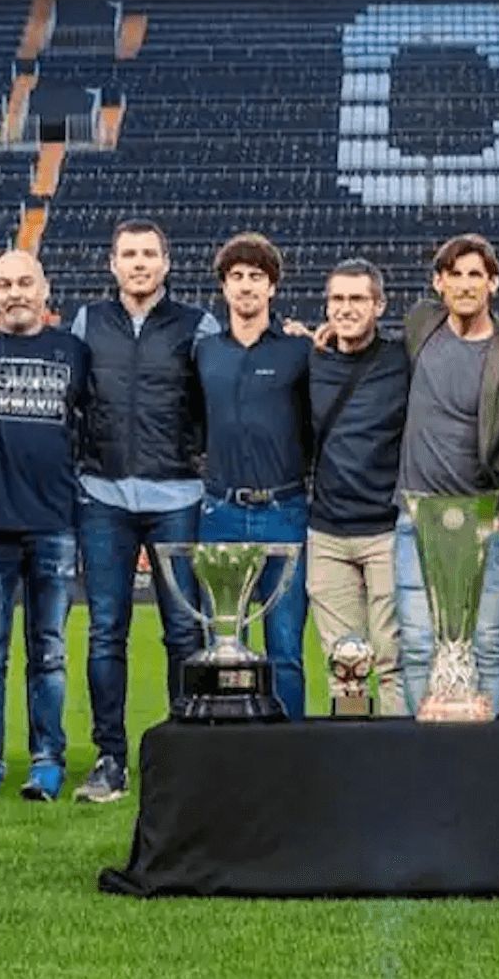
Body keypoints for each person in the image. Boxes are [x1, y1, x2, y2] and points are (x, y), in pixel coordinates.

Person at [66, 219, 216, 803]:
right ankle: (110, 758)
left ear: (166, 263)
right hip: (103, 496)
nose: (138, 264)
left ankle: (183, 747)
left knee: (184, 629)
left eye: (149, 254)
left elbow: (216, 394)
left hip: (177, 494)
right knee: (106, 631)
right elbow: (69, 397)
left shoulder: (195, 325)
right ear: (112, 264)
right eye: (128, 254)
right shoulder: (88, 323)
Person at [0, 248, 87, 804]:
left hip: (55, 523)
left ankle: (48, 762)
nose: (15, 293)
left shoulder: (72, 352)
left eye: (25, 283)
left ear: (45, 290)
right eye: (5, 283)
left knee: (51, 652)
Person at [396, 234, 499, 717]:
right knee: (415, 645)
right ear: (439, 283)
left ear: (493, 283)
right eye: (455, 274)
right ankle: (422, 758)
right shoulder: (420, 326)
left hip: (483, 519)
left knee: (487, 646)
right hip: (415, 516)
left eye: (477, 274)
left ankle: (490, 763)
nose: (465, 284)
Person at [193, 233, 313, 717]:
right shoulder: (203, 353)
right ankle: (230, 748)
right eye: (237, 277)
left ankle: (290, 756)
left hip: (284, 511)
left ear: (273, 288)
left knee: (284, 649)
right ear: (223, 287)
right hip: (220, 512)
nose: (246, 286)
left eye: (256, 277)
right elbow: (191, 422)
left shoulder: (299, 352)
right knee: (223, 647)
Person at [304, 258, 410, 715]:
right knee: (344, 664)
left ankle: (395, 761)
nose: (346, 309)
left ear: (379, 305)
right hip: (327, 533)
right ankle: (353, 761)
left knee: (391, 662)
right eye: (337, 299)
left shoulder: (403, 360)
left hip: (386, 531)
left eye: (357, 299)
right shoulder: (309, 358)